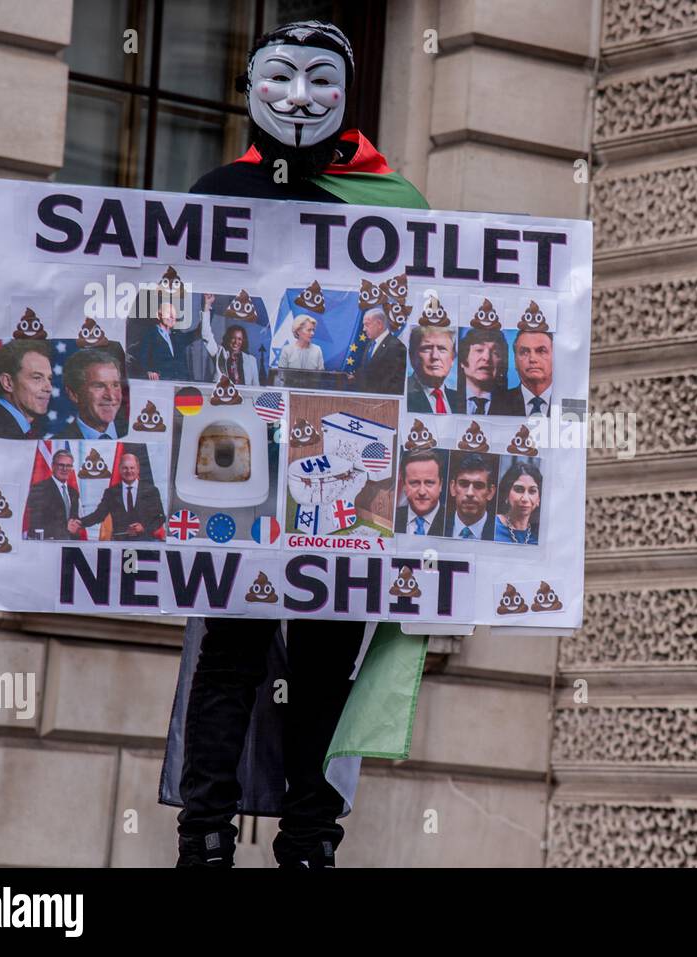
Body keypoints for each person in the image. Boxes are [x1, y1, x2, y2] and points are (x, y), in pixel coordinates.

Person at [172, 18, 429, 870]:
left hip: (351, 464)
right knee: (232, 650)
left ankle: (311, 839)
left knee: (326, 661)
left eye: (323, 80)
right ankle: (203, 836)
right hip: (238, 461)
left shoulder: (399, 208)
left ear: (348, 94)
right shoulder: (215, 191)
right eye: (281, 77)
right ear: (249, 86)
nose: (299, 97)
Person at [69, 452, 164, 541]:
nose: (129, 471)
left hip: (145, 542)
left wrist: (144, 528)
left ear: (138, 469)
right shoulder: (111, 492)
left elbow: (160, 518)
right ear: (120, 469)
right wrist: (79, 522)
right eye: (125, 468)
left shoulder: (151, 491)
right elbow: (98, 515)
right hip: (119, 544)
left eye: (132, 468)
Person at [0, 339, 52, 439]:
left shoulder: (16, 429)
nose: (49, 388)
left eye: (50, 379)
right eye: (37, 378)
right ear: (8, 383)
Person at [56, 347, 126, 439]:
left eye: (115, 385)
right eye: (99, 386)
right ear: (74, 394)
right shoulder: (60, 440)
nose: (111, 396)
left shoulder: (135, 432)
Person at [198, 294, 261, 384]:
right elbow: (206, 335)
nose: (236, 342)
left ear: (243, 341)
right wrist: (207, 306)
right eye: (233, 338)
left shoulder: (251, 360)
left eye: (239, 339)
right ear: (228, 338)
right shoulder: (219, 353)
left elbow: (256, 387)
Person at [489, 330, 553, 416]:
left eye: (541, 351)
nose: (532, 359)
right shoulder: (496, 404)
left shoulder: (570, 400)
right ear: (515, 361)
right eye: (524, 352)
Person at [348, 305, 406, 394]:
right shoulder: (370, 344)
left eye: (367, 325)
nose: (364, 329)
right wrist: (354, 377)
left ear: (379, 324)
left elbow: (394, 382)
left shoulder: (396, 347)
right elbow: (367, 369)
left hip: (382, 401)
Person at [24, 449, 81, 540]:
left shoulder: (73, 492)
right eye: (61, 465)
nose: (65, 469)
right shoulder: (39, 489)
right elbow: (35, 525)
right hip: (48, 544)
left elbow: (74, 519)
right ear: (53, 466)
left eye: (68, 466)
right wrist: (65, 527)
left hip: (70, 543)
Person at [439, 453, 498, 541]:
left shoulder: (500, 533)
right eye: (463, 484)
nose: (470, 493)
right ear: (453, 487)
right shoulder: (437, 527)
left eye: (478, 486)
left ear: (490, 492)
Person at [406, 326, 458, 414]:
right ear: (412, 356)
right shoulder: (405, 394)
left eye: (442, 349)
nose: (435, 356)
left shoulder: (458, 400)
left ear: (452, 358)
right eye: (427, 348)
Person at [394, 450, 446, 535]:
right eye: (414, 483)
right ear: (404, 485)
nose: (422, 492)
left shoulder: (452, 523)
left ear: (440, 485)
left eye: (429, 482)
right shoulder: (391, 519)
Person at [457, 328, 507, 415]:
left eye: (495, 352)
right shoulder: (449, 400)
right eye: (479, 350)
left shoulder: (512, 405)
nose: (486, 358)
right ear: (462, 361)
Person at [141, 301, 193, 382]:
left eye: (174, 314)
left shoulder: (177, 335)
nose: (172, 317)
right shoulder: (149, 334)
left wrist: (206, 307)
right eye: (169, 313)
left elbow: (196, 334)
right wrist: (149, 371)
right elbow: (142, 359)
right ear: (159, 315)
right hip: (161, 383)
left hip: (181, 383)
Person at [494, 461, 542, 545]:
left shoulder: (540, 535)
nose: (525, 498)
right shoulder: (492, 525)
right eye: (519, 490)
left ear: (538, 499)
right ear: (506, 494)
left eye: (532, 491)